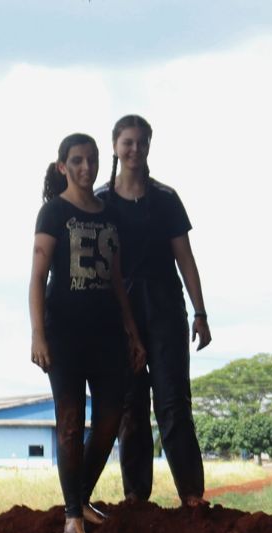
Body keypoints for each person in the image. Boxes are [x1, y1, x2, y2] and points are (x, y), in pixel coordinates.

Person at [29, 132, 147, 533]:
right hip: (64, 333)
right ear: (63, 166)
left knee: (111, 419)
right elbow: (37, 277)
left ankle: (80, 497)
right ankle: (72, 514)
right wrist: (38, 334)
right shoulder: (53, 213)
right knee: (69, 422)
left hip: (107, 333)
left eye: (92, 160)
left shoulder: (108, 215)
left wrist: (132, 332)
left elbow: (116, 279)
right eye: (77, 160)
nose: (86, 167)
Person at [99, 114, 210, 509]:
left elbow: (185, 257)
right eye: (127, 142)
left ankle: (191, 495)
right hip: (119, 312)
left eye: (141, 142)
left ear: (149, 146)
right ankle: (135, 497)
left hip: (164, 308)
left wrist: (200, 313)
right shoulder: (101, 201)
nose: (134, 149)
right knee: (130, 405)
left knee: (173, 402)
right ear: (115, 146)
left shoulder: (166, 198)